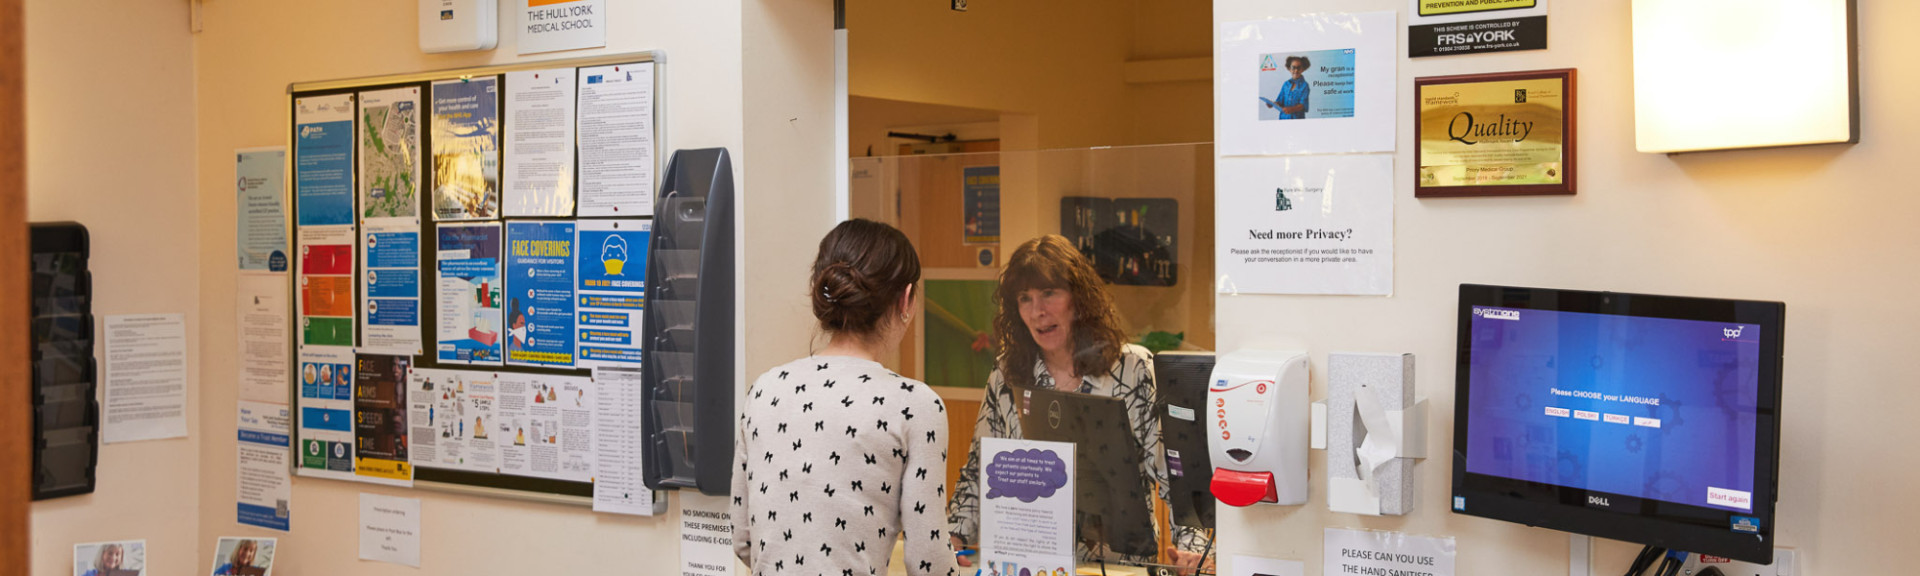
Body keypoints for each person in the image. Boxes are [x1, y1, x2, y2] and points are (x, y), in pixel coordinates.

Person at [947, 235, 1212, 572]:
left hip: (1116, 565)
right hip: (1029, 560)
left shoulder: (1131, 370)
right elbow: (978, 468)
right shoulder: (1007, 373)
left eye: (1049, 294)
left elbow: (1174, 474)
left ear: (1079, 298)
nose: (1038, 311)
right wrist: (952, 537)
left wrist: (1193, 549)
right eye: (1024, 299)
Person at [730, 219, 958, 576]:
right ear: (906, 300)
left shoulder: (765, 389)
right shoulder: (915, 405)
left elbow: (744, 538)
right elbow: (928, 563)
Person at [1268, 55, 1311, 119]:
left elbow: (1302, 105)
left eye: (1299, 68)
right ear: (1289, 69)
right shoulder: (1286, 84)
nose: (1296, 70)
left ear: (1303, 69)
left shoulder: (1305, 85)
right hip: (1283, 118)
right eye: (1293, 67)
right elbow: (1280, 101)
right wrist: (1273, 104)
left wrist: (1292, 109)